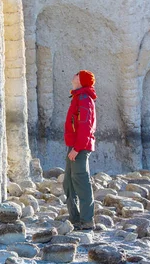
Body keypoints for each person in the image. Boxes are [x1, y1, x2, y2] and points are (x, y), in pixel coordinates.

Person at [63, 70, 96, 230]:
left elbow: (85, 127)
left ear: (81, 80)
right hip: (74, 146)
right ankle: (75, 219)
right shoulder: (78, 97)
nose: (74, 75)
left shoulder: (84, 99)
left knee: (81, 182)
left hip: (80, 148)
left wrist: (77, 148)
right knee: (68, 183)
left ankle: (87, 220)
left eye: (77, 74)